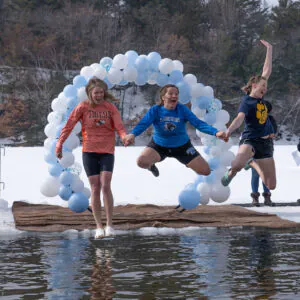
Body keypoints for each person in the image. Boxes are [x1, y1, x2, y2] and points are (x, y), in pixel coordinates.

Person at [56, 78, 127, 239]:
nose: (99, 95)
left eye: (101, 92)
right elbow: (69, 125)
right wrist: (59, 143)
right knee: (95, 187)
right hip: (89, 151)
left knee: (106, 185)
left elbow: (119, 126)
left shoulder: (110, 108)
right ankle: (98, 226)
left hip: (107, 151)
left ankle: (109, 224)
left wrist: (124, 137)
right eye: (96, 93)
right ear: (90, 93)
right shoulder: (83, 107)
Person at [123, 84, 227, 177]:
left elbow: (198, 123)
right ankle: (151, 166)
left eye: (176, 94)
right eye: (171, 93)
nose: (174, 96)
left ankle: (188, 161)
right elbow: (143, 124)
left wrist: (216, 132)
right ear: (163, 97)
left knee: (206, 171)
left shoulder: (182, 109)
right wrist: (132, 134)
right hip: (159, 146)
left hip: (182, 147)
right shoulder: (156, 110)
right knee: (141, 162)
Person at [221, 40, 276, 201]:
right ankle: (235, 170)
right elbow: (239, 118)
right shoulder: (247, 101)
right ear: (253, 85)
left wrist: (270, 49)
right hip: (250, 139)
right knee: (237, 165)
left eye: (266, 87)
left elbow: (266, 70)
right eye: (261, 87)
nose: (264, 89)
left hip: (266, 143)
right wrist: (229, 130)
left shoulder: (261, 98)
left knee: (271, 185)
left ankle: (252, 162)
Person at [249, 100, 277, 207]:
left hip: (267, 150)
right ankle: (255, 198)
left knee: (267, 174)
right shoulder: (253, 119)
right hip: (254, 150)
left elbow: (272, 133)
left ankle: (267, 197)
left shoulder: (270, 119)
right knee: (255, 174)